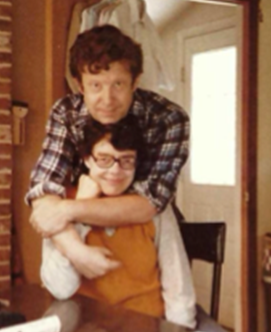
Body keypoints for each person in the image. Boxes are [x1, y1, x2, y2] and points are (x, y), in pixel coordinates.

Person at [40, 117, 271, 332]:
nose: (115, 170)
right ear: (86, 160)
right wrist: (79, 211)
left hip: (172, 321)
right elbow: (61, 288)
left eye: (126, 160)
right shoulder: (59, 208)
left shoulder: (149, 208)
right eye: (104, 159)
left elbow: (177, 284)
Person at [26, 24, 189, 280]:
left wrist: (68, 210)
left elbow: (150, 202)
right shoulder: (65, 112)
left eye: (118, 84)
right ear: (80, 85)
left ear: (135, 82)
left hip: (150, 242)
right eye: (96, 85)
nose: (107, 99)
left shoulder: (168, 118)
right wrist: (76, 252)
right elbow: (44, 189)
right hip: (84, 240)